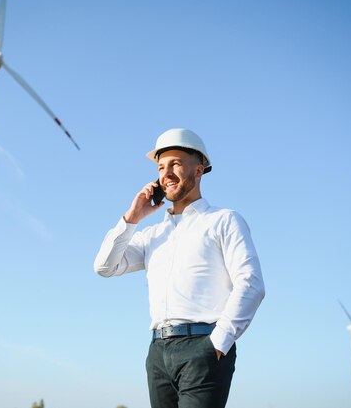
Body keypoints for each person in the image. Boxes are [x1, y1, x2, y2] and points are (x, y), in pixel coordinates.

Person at [94, 128, 265, 408]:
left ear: (198, 171)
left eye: (175, 164)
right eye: (161, 167)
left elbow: (251, 284)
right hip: (158, 354)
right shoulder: (152, 236)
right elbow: (104, 266)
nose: (167, 173)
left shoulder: (224, 220)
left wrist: (218, 343)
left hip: (204, 347)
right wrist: (132, 216)